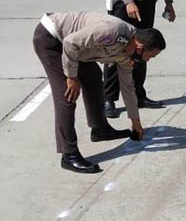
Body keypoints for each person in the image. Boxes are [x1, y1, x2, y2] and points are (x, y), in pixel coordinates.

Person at [33, 11, 166, 173]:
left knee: (94, 77)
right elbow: (69, 43)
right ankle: (68, 155)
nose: (148, 60)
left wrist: (135, 121)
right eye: (150, 56)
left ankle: (100, 129)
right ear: (140, 47)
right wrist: (72, 77)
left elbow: (127, 87)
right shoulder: (112, 32)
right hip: (52, 39)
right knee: (67, 95)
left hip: (77, 49)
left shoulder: (126, 51)